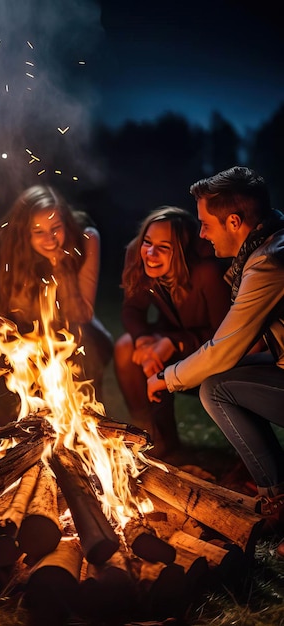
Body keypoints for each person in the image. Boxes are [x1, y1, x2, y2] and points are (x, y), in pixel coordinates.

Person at [147, 167, 284, 548]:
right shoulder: (273, 242)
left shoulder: (268, 263)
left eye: (206, 224)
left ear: (235, 222)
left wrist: (166, 377)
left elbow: (224, 347)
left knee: (216, 390)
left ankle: (278, 500)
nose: (202, 234)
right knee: (223, 381)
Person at [0, 184, 113, 459]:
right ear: (24, 232)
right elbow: (0, 314)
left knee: (84, 348)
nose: (50, 239)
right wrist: (25, 346)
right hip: (21, 330)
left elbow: (82, 313)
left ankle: (84, 434)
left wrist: (61, 268)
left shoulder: (84, 238)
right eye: (38, 232)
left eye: (56, 228)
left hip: (74, 327)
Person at [114, 206, 231, 459]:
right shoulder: (139, 255)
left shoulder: (207, 273)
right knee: (127, 347)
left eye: (164, 247)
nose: (151, 253)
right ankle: (150, 435)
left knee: (157, 355)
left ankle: (239, 457)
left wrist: (174, 343)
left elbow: (226, 336)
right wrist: (144, 340)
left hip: (208, 352)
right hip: (169, 339)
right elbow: (132, 310)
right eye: (148, 242)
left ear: (180, 251)